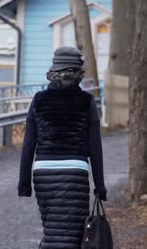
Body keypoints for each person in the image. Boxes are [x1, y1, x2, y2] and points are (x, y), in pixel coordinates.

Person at [18, 46, 107, 249]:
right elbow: (94, 146)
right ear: (78, 74)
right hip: (75, 172)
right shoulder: (87, 101)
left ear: (53, 73)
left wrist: (24, 183)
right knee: (75, 236)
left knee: (52, 231)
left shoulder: (38, 100)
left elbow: (28, 143)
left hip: (43, 173)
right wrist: (100, 187)